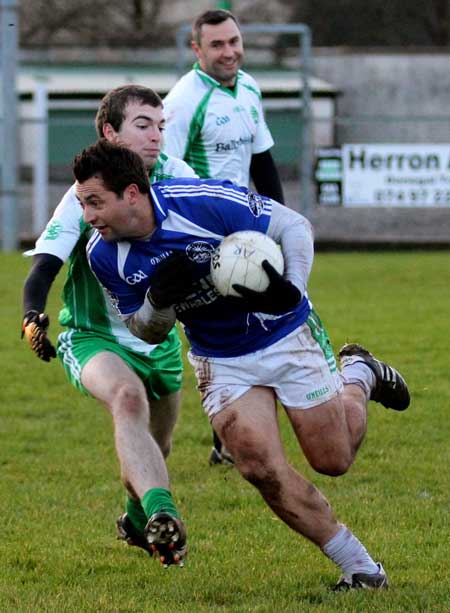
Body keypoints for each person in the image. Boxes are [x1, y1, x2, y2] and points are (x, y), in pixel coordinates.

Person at [75, 139, 410, 590]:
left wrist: (290, 288)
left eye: (95, 202)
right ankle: (362, 569)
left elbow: (294, 226)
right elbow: (145, 329)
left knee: (333, 459)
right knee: (256, 465)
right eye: (82, 204)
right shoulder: (103, 255)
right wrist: (159, 302)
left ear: (131, 193)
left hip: (286, 334)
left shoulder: (204, 202)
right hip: (221, 357)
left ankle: (358, 374)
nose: (88, 216)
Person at [21, 85, 198, 568]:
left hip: (157, 340)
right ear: (110, 131)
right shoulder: (84, 197)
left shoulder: (179, 177)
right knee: (127, 401)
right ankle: (168, 518)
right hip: (93, 337)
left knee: (154, 448)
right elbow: (44, 266)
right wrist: (31, 313)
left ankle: (137, 521)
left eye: (161, 126)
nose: (156, 136)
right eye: (142, 125)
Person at [163, 8, 284, 463]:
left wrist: (280, 223)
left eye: (234, 41)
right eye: (217, 44)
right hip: (202, 233)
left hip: (247, 230)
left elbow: (263, 160)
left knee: (257, 325)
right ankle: (230, 436)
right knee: (224, 334)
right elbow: (163, 173)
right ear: (197, 49)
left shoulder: (249, 87)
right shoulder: (183, 102)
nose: (229, 51)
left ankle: (228, 439)